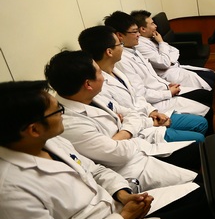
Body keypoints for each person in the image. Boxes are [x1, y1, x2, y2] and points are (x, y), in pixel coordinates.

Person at [0, 81, 215, 219]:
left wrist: (122, 193)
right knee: (207, 213)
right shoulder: (10, 190)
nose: (63, 114)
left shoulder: (51, 142)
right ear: (33, 129)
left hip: (118, 208)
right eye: (57, 111)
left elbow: (95, 170)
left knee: (206, 194)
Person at [45, 50, 200, 187]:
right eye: (99, 73)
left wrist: (121, 134)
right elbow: (119, 153)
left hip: (141, 145)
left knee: (200, 152)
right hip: (132, 168)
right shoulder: (70, 123)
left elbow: (131, 114)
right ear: (88, 84)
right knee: (199, 179)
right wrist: (127, 129)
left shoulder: (89, 96)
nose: (104, 77)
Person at [79, 25, 208, 144]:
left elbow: (136, 97)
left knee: (201, 123)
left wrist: (152, 112)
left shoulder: (115, 71)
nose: (122, 47)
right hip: (141, 131)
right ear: (109, 52)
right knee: (199, 136)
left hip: (149, 115)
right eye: (120, 44)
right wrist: (152, 121)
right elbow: (125, 117)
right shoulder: (98, 86)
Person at [103, 11, 212, 126]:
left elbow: (152, 75)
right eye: (135, 32)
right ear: (119, 35)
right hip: (156, 101)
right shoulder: (122, 60)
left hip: (163, 89)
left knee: (205, 95)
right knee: (205, 106)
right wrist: (168, 93)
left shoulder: (133, 49)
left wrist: (167, 85)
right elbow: (141, 93)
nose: (139, 34)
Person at [131, 10, 215, 89]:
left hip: (175, 68)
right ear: (143, 29)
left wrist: (170, 61)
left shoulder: (152, 38)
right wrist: (161, 42)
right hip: (168, 75)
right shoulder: (140, 45)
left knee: (212, 75)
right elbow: (164, 63)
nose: (156, 26)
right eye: (152, 24)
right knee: (209, 82)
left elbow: (174, 50)